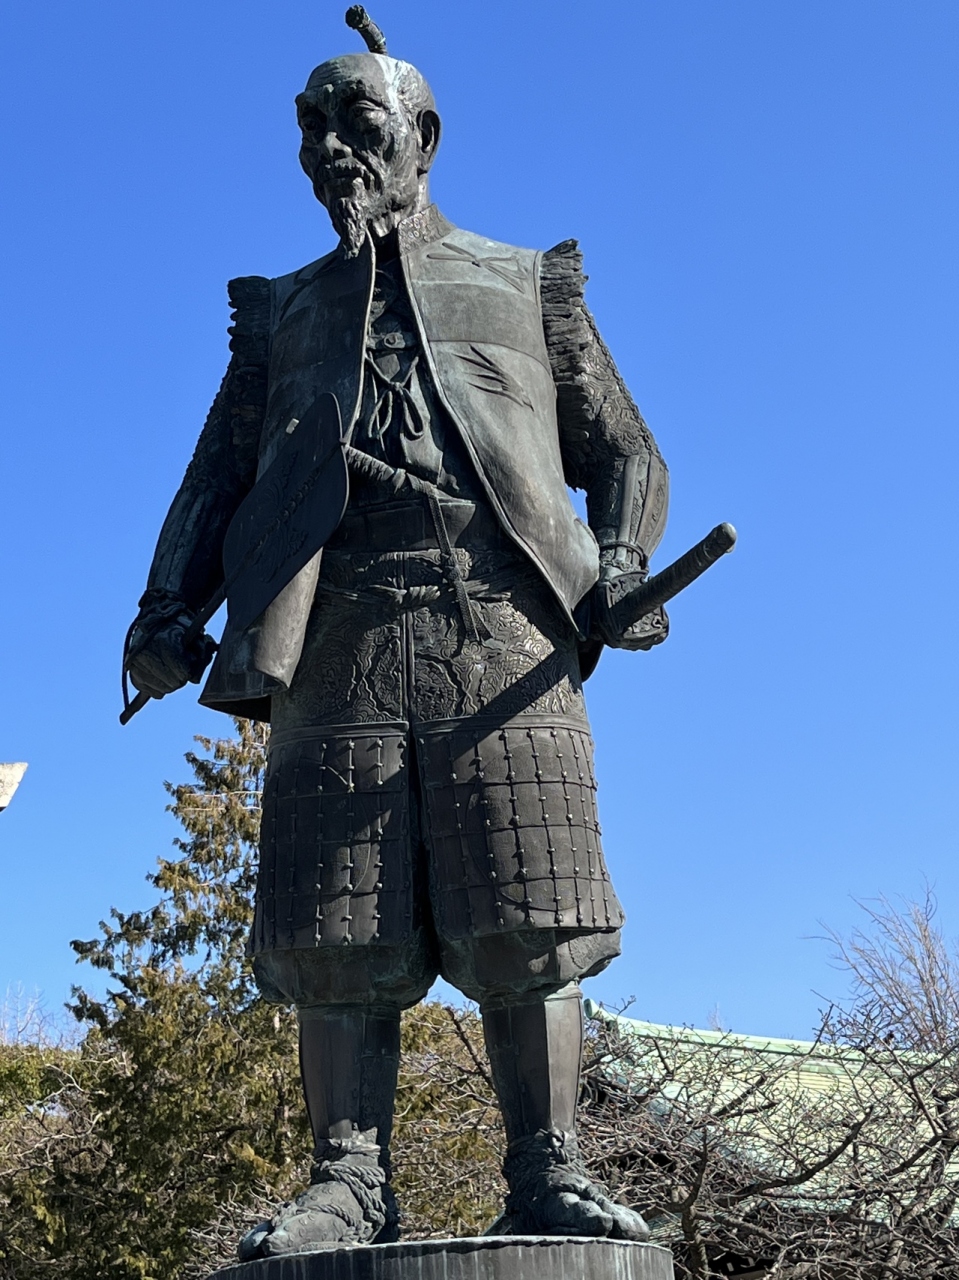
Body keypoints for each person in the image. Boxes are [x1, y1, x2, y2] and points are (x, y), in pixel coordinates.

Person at [125, 9, 669, 1258]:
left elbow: (625, 452)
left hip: (504, 634)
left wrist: (624, 561)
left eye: (355, 120)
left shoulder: (527, 285)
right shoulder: (283, 313)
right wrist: (165, 608)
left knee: (529, 913)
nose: (328, 146)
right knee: (338, 929)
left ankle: (547, 1165)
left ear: (422, 134)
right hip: (333, 633)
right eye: (308, 125)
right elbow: (216, 479)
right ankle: (348, 1177)